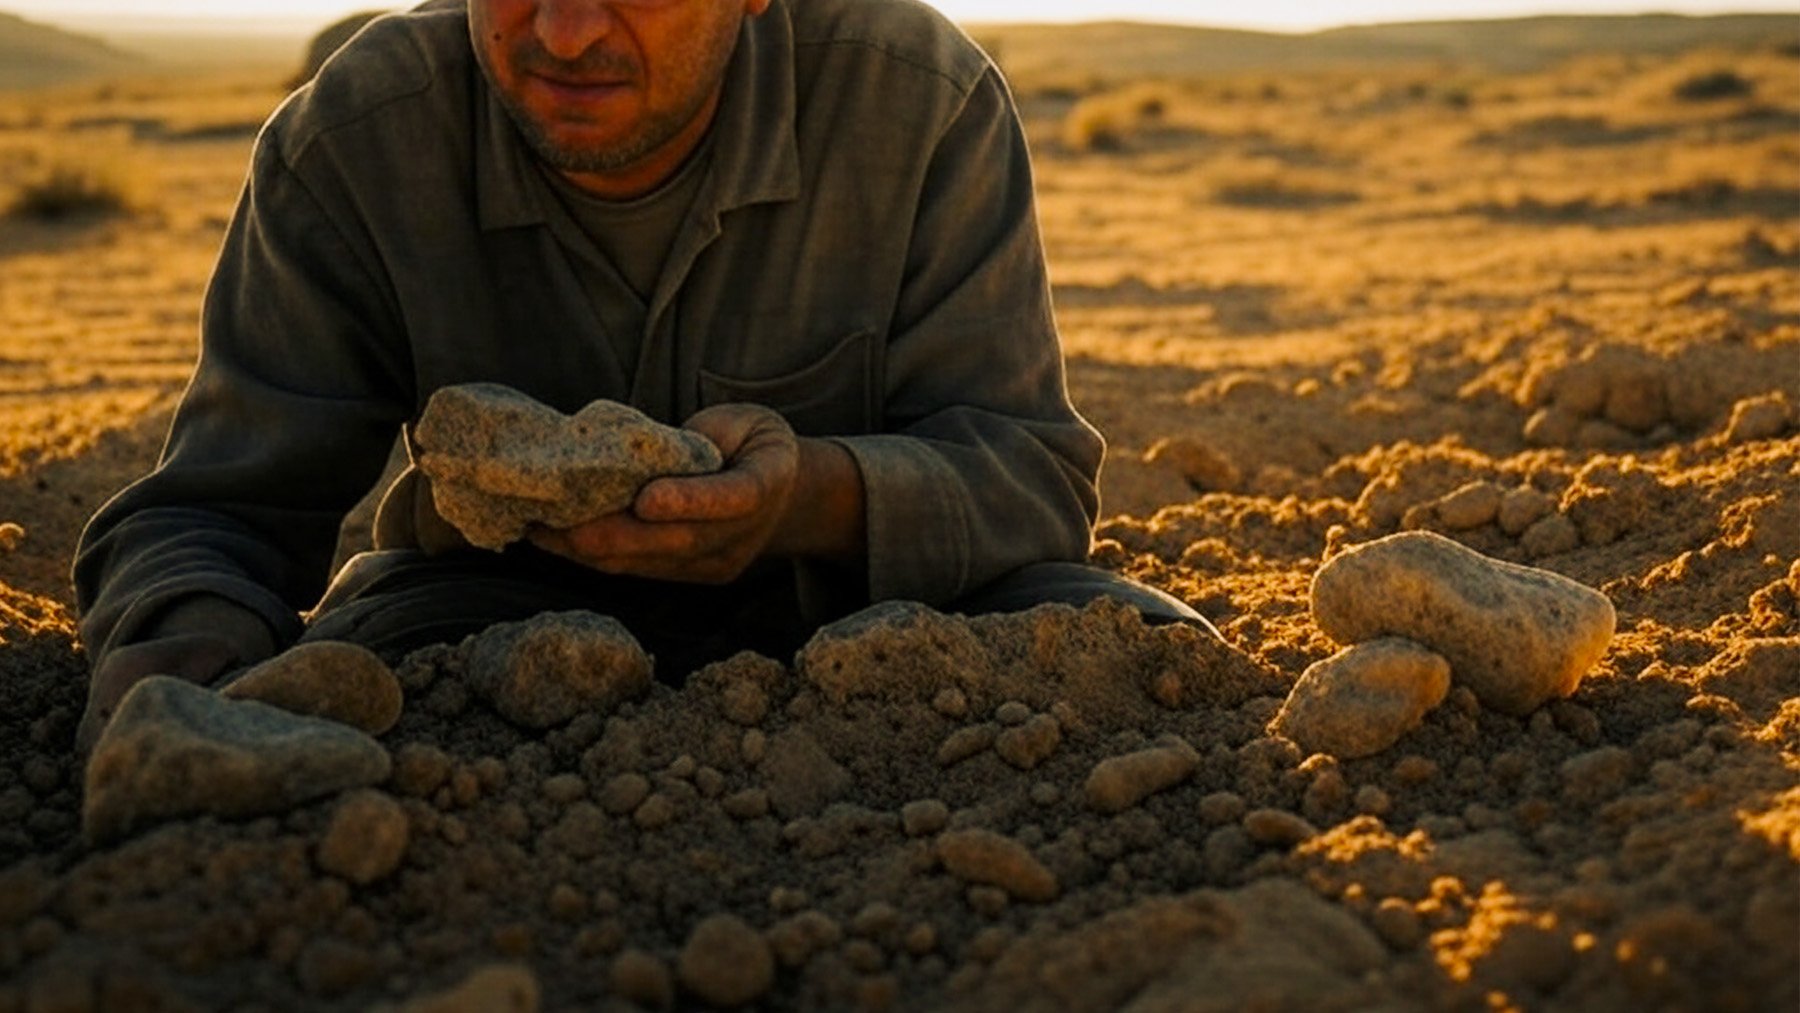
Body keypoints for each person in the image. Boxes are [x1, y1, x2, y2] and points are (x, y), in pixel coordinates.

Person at [73, 0, 1211, 750]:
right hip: (476, 626)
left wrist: (800, 498)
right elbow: (219, 505)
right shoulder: (356, 141)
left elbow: (1032, 478)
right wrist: (188, 642)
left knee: (1159, 672)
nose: (564, 34)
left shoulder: (918, 101)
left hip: (885, 629)